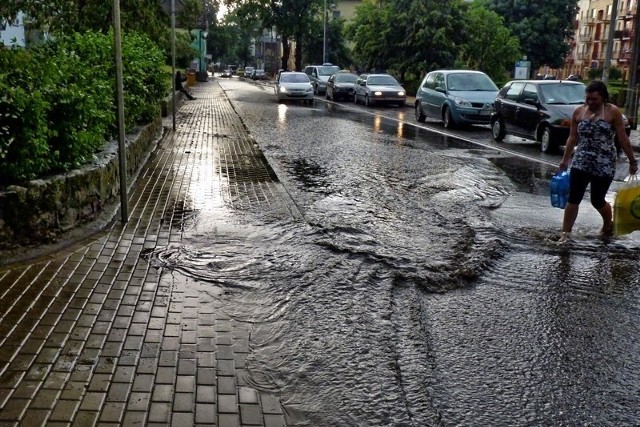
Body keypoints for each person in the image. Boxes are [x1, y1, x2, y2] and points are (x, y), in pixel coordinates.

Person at [558, 80, 638, 241]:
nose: (590, 102)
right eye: (588, 98)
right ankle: (565, 233)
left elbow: (623, 139)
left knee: (597, 199)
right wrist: (565, 160)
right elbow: (572, 138)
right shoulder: (579, 112)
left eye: (594, 99)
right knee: (574, 198)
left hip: (604, 163)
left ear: (603, 98)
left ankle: (607, 224)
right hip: (581, 160)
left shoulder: (613, 112)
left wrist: (632, 161)